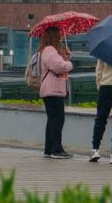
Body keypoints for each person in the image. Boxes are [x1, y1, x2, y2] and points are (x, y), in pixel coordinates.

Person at [37, 26, 73, 158]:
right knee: (57, 120)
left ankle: (49, 149)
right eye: (58, 36)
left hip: (51, 90)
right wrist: (69, 64)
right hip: (53, 91)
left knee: (52, 120)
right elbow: (59, 67)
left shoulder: (46, 50)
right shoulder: (50, 50)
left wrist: (66, 57)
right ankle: (56, 150)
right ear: (54, 37)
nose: (60, 39)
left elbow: (58, 64)